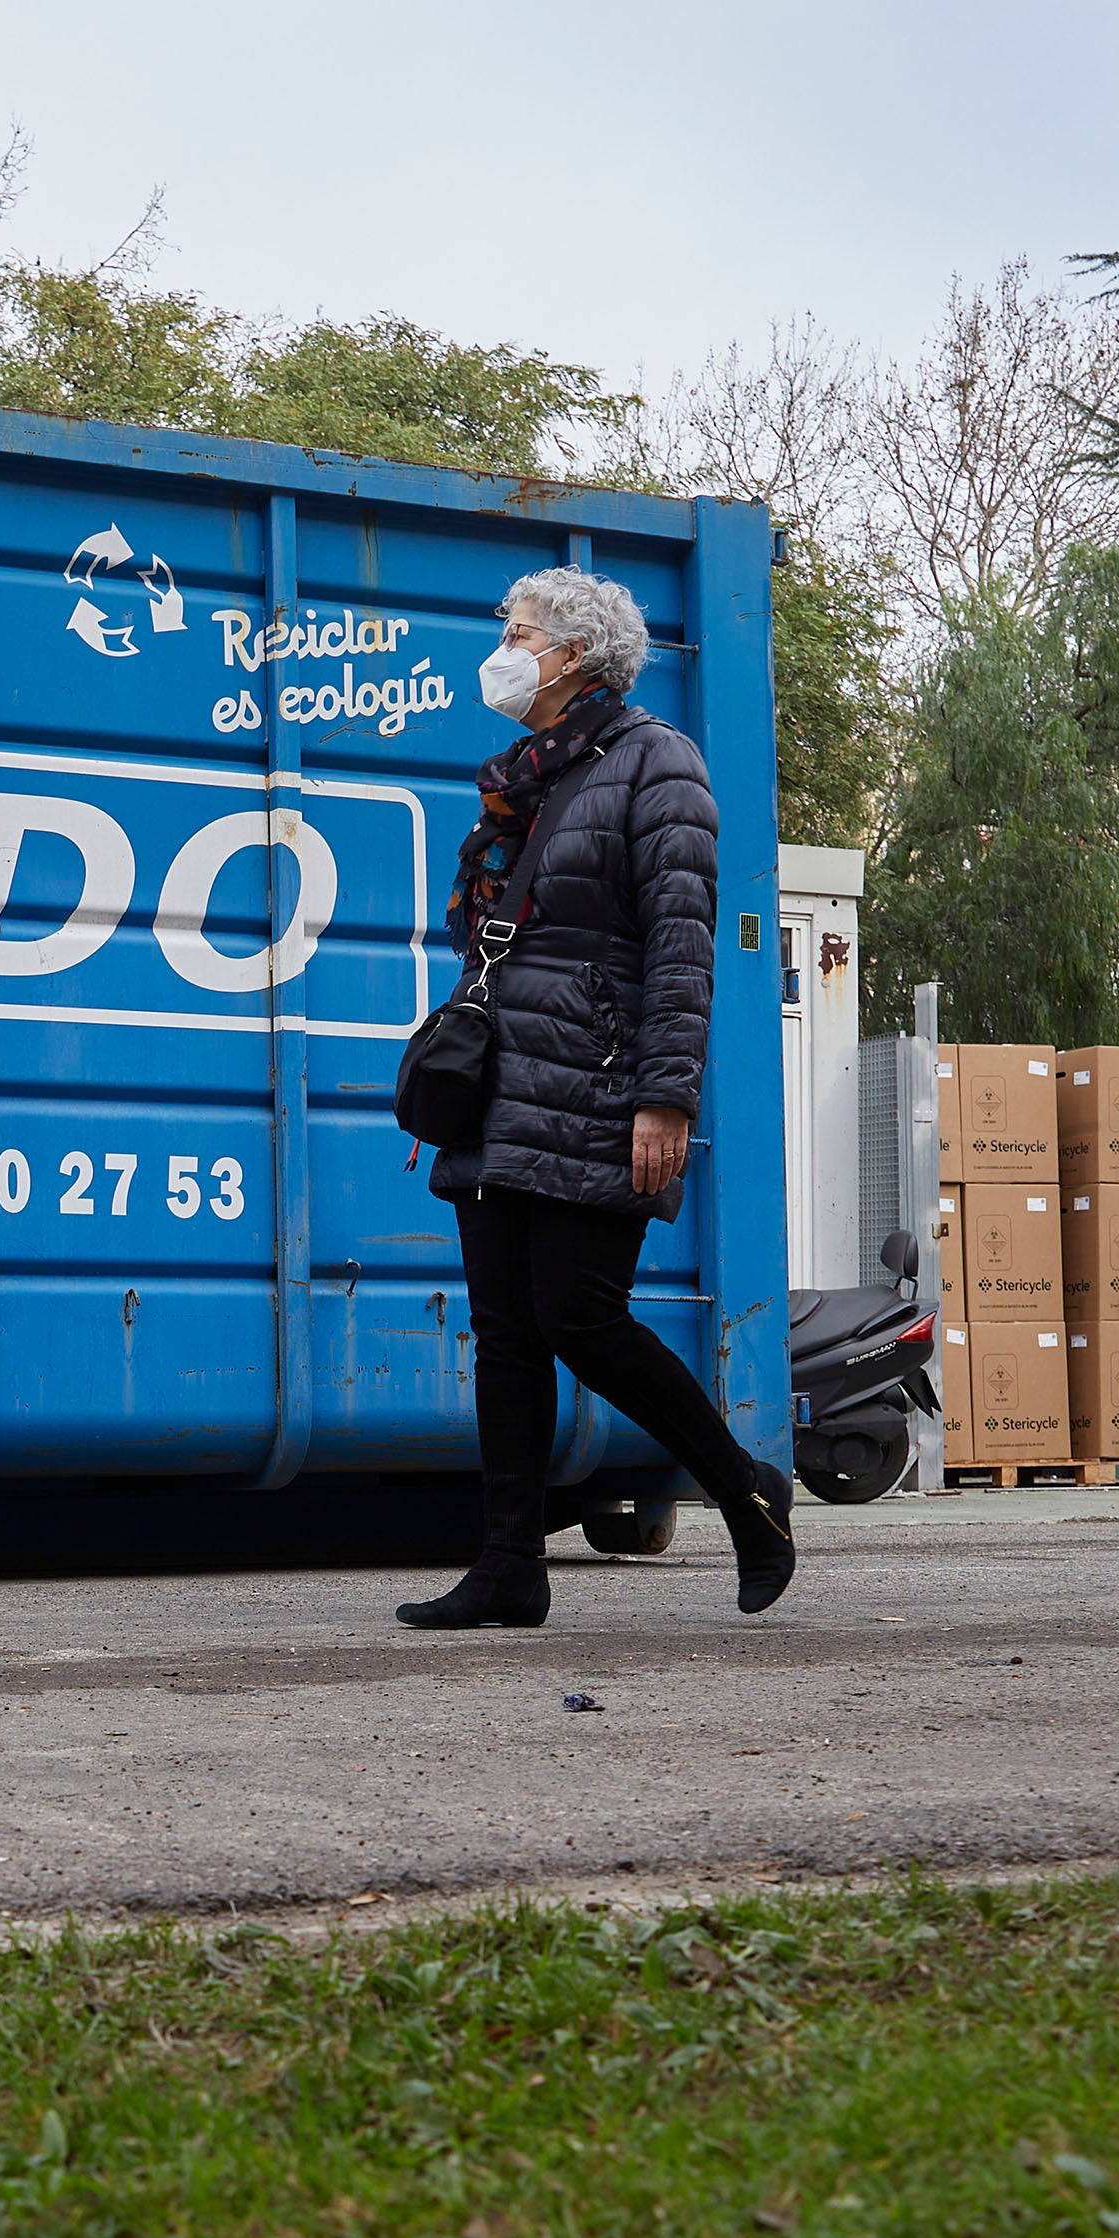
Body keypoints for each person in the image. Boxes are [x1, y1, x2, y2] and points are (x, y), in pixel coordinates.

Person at [396, 569, 800, 1630]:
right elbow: (501, 944)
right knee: (505, 1331)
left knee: (575, 1311)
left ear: (572, 653)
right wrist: (451, 1079)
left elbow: (679, 947)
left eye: (516, 629)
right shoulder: (521, 778)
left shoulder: (654, 763)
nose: (501, 643)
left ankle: (744, 1486)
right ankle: (505, 1567)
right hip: (499, 1087)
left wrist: (664, 1098)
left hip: (598, 1086)